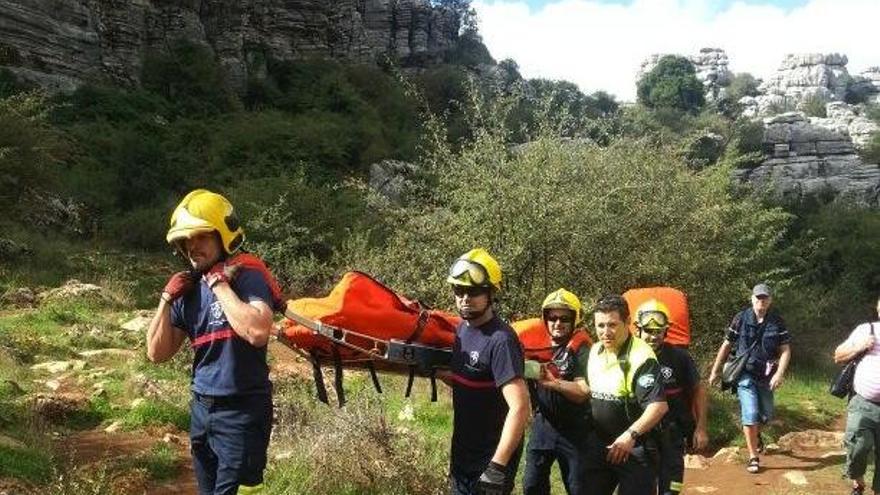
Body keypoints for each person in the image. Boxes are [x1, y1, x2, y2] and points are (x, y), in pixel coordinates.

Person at [146, 189, 283, 495]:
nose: (192, 247)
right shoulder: (188, 290)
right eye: (186, 241)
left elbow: (258, 331)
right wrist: (166, 300)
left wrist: (220, 284)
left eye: (202, 237)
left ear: (223, 236)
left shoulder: (246, 275)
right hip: (201, 407)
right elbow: (156, 353)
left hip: (242, 409)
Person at [442, 248, 530, 495]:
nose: (464, 298)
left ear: (491, 294)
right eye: (459, 291)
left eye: (473, 292)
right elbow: (475, 381)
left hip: (490, 460)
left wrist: (497, 467)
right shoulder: (462, 330)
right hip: (462, 455)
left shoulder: (501, 340)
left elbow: (521, 407)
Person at [583, 294, 668, 495]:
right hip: (600, 444)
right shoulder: (595, 351)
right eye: (600, 325)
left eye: (612, 325)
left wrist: (629, 436)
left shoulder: (641, 356)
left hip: (635, 447)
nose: (606, 332)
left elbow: (658, 406)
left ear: (627, 322)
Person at [709, 283, 791, 474]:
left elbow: (786, 350)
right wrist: (715, 370)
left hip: (767, 375)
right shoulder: (740, 318)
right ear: (752, 299)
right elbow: (727, 345)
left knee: (767, 415)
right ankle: (753, 457)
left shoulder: (777, 321)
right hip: (745, 373)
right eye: (758, 298)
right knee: (751, 412)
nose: (761, 301)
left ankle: (757, 435)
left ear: (770, 300)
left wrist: (779, 373)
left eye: (765, 298)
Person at [521, 289, 593, 495]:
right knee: (531, 485)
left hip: (576, 429)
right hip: (543, 425)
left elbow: (583, 391)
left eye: (564, 318)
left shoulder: (582, 349)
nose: (558, 323)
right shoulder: (533, 345)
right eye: (552, 317)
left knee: (578, 488)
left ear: (574, 320)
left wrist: (555, 384)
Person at [634, 299, 708, 495]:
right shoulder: (630, 358)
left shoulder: (679, 357)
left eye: (658, 331)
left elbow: (698, 390)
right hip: (641, 434)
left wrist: (700, 428)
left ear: (665, 332)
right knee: (642, 485)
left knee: (672, 487)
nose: (653, 336)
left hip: (673, 433)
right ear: (638, 330)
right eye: (648, 331)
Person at [835, 296, 880, 495]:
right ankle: (858, 483)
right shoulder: (865, 330)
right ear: (878, 308)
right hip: (863, 403)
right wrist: (861, 346)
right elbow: (837, 356)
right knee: (858, 448)